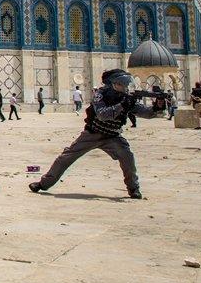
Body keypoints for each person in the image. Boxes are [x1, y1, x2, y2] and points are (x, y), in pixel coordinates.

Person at [30, 69, 142, 198]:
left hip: (112, 136)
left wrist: (157, 107)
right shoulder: (101, 95)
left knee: (128, 158)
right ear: (113, 84)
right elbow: (102, 114)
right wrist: (122, 105)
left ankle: (133, 189)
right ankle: (43, 184)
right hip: (92, 134)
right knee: (66, 157)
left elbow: (144, 112)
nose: (126, 87)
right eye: (122, 84)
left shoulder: (126, 99)